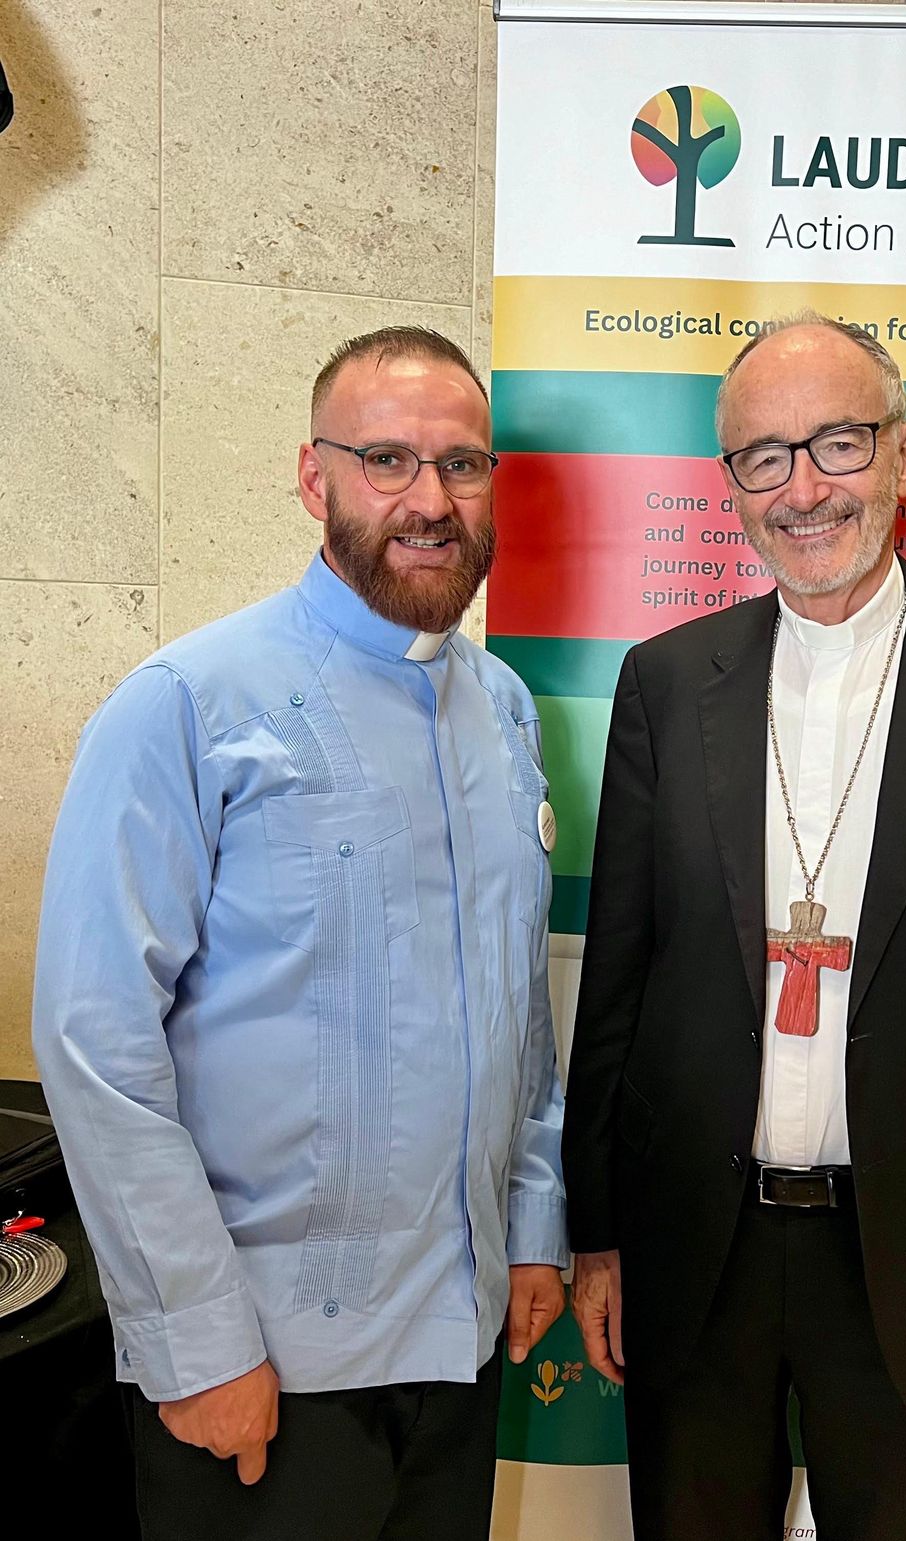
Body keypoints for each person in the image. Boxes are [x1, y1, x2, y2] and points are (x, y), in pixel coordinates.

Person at [562, 312, 906, 1541]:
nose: (803, 488)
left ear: (905, 451)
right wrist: (592, 1235)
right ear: (730, 487)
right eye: (764, 455)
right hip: (697, 1250)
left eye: (839, 443)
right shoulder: (664, 679)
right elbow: (620, 985)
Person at [33, 325, 567, 1541]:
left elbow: (518, 1013)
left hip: (464, 1349)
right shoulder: (185, 704)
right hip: (262, 1373)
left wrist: (534, 1224)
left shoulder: (505, 710)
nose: (431, 500)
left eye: (465, 464)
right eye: (388, 458)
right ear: (313, 477)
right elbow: (95, 1039)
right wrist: (196, 1340)